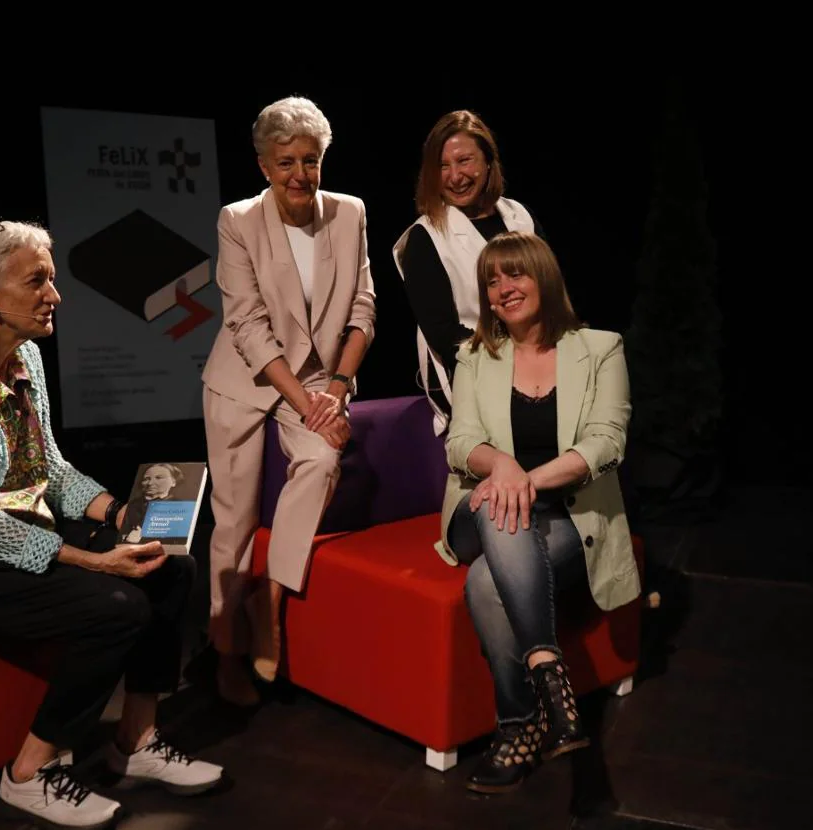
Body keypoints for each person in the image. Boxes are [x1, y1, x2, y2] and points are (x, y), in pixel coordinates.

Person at [0, 219, 223, 828]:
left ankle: (134, 744)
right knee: (117, 605)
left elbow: (49, 469)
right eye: (36, 281)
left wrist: (120, 513)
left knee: (172, 566)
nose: (54, 296)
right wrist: (93, 560)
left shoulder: (24, 354)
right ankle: (29, 773)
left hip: (17, 527)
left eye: (52, 280)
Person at [437, 231, 641, 794]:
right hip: (477, 511)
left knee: (484, 584)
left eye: (515, 274)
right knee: (501, 514)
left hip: (567, 517)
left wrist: (522, 480)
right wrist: (499, 464)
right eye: (492, 280)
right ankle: (551, 676)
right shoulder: (475, 355)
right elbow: (459, 444)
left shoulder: (600, 348)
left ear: (543, 277)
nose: (504, 288)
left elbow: (606, 442)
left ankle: (521, 726)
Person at [200, 96, 377, 707]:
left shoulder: (350, 213)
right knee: (235, 520)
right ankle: (224, 654)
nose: (299, 174)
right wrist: (308, 402)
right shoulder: (238, 220)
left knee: (323, 461)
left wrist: (338, 388)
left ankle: (267, 600)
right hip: (245, 380)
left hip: (319, 382)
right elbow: (246, 325)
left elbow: (362, 308)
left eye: (311, 160)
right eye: (285, 163)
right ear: (263, 165)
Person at [393, 110, 547, 434]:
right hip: (473, 375)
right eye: (443, 166)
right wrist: (517, 363)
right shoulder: (425, 238)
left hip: (542, 360)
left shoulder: (520, 216)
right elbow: (445, 336)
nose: (454, 176)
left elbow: (552, 292)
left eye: (464, 161)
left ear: (488, 162)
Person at [120, 463, 183, 544]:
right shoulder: (132, 505)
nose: (150, 483)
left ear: (173, 482)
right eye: (146, 479)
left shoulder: (180, 506)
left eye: (158, 477)